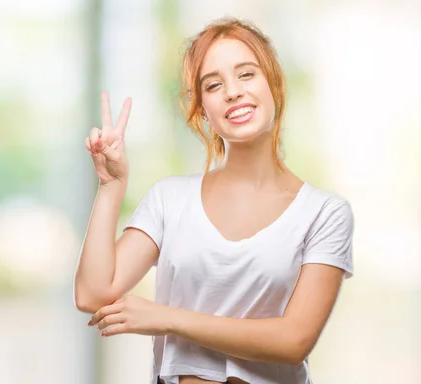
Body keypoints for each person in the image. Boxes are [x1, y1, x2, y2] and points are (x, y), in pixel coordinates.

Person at [73, 17, 354, 384]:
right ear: (202, 109)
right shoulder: (170, 199)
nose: (233, 92)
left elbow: (294, 340)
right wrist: (111, 186)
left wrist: (167, 317)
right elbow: (93, 294)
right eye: (214, 84)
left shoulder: (324, 213)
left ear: (275, 86)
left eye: (246, 74)